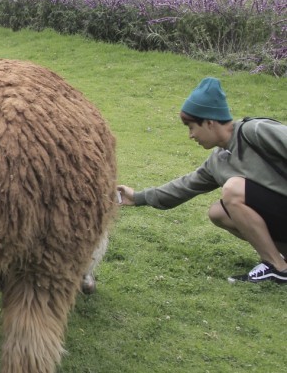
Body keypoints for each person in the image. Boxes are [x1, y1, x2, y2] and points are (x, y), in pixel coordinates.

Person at [117, 77, 287, 285]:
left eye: (191, 127)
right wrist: (137, 197)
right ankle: (278, 260)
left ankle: (277, 269)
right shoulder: (218, 160)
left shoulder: (255, 131)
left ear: (209, 122)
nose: (190, 135)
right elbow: (184, 186)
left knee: (233, 190)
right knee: (218, 212)